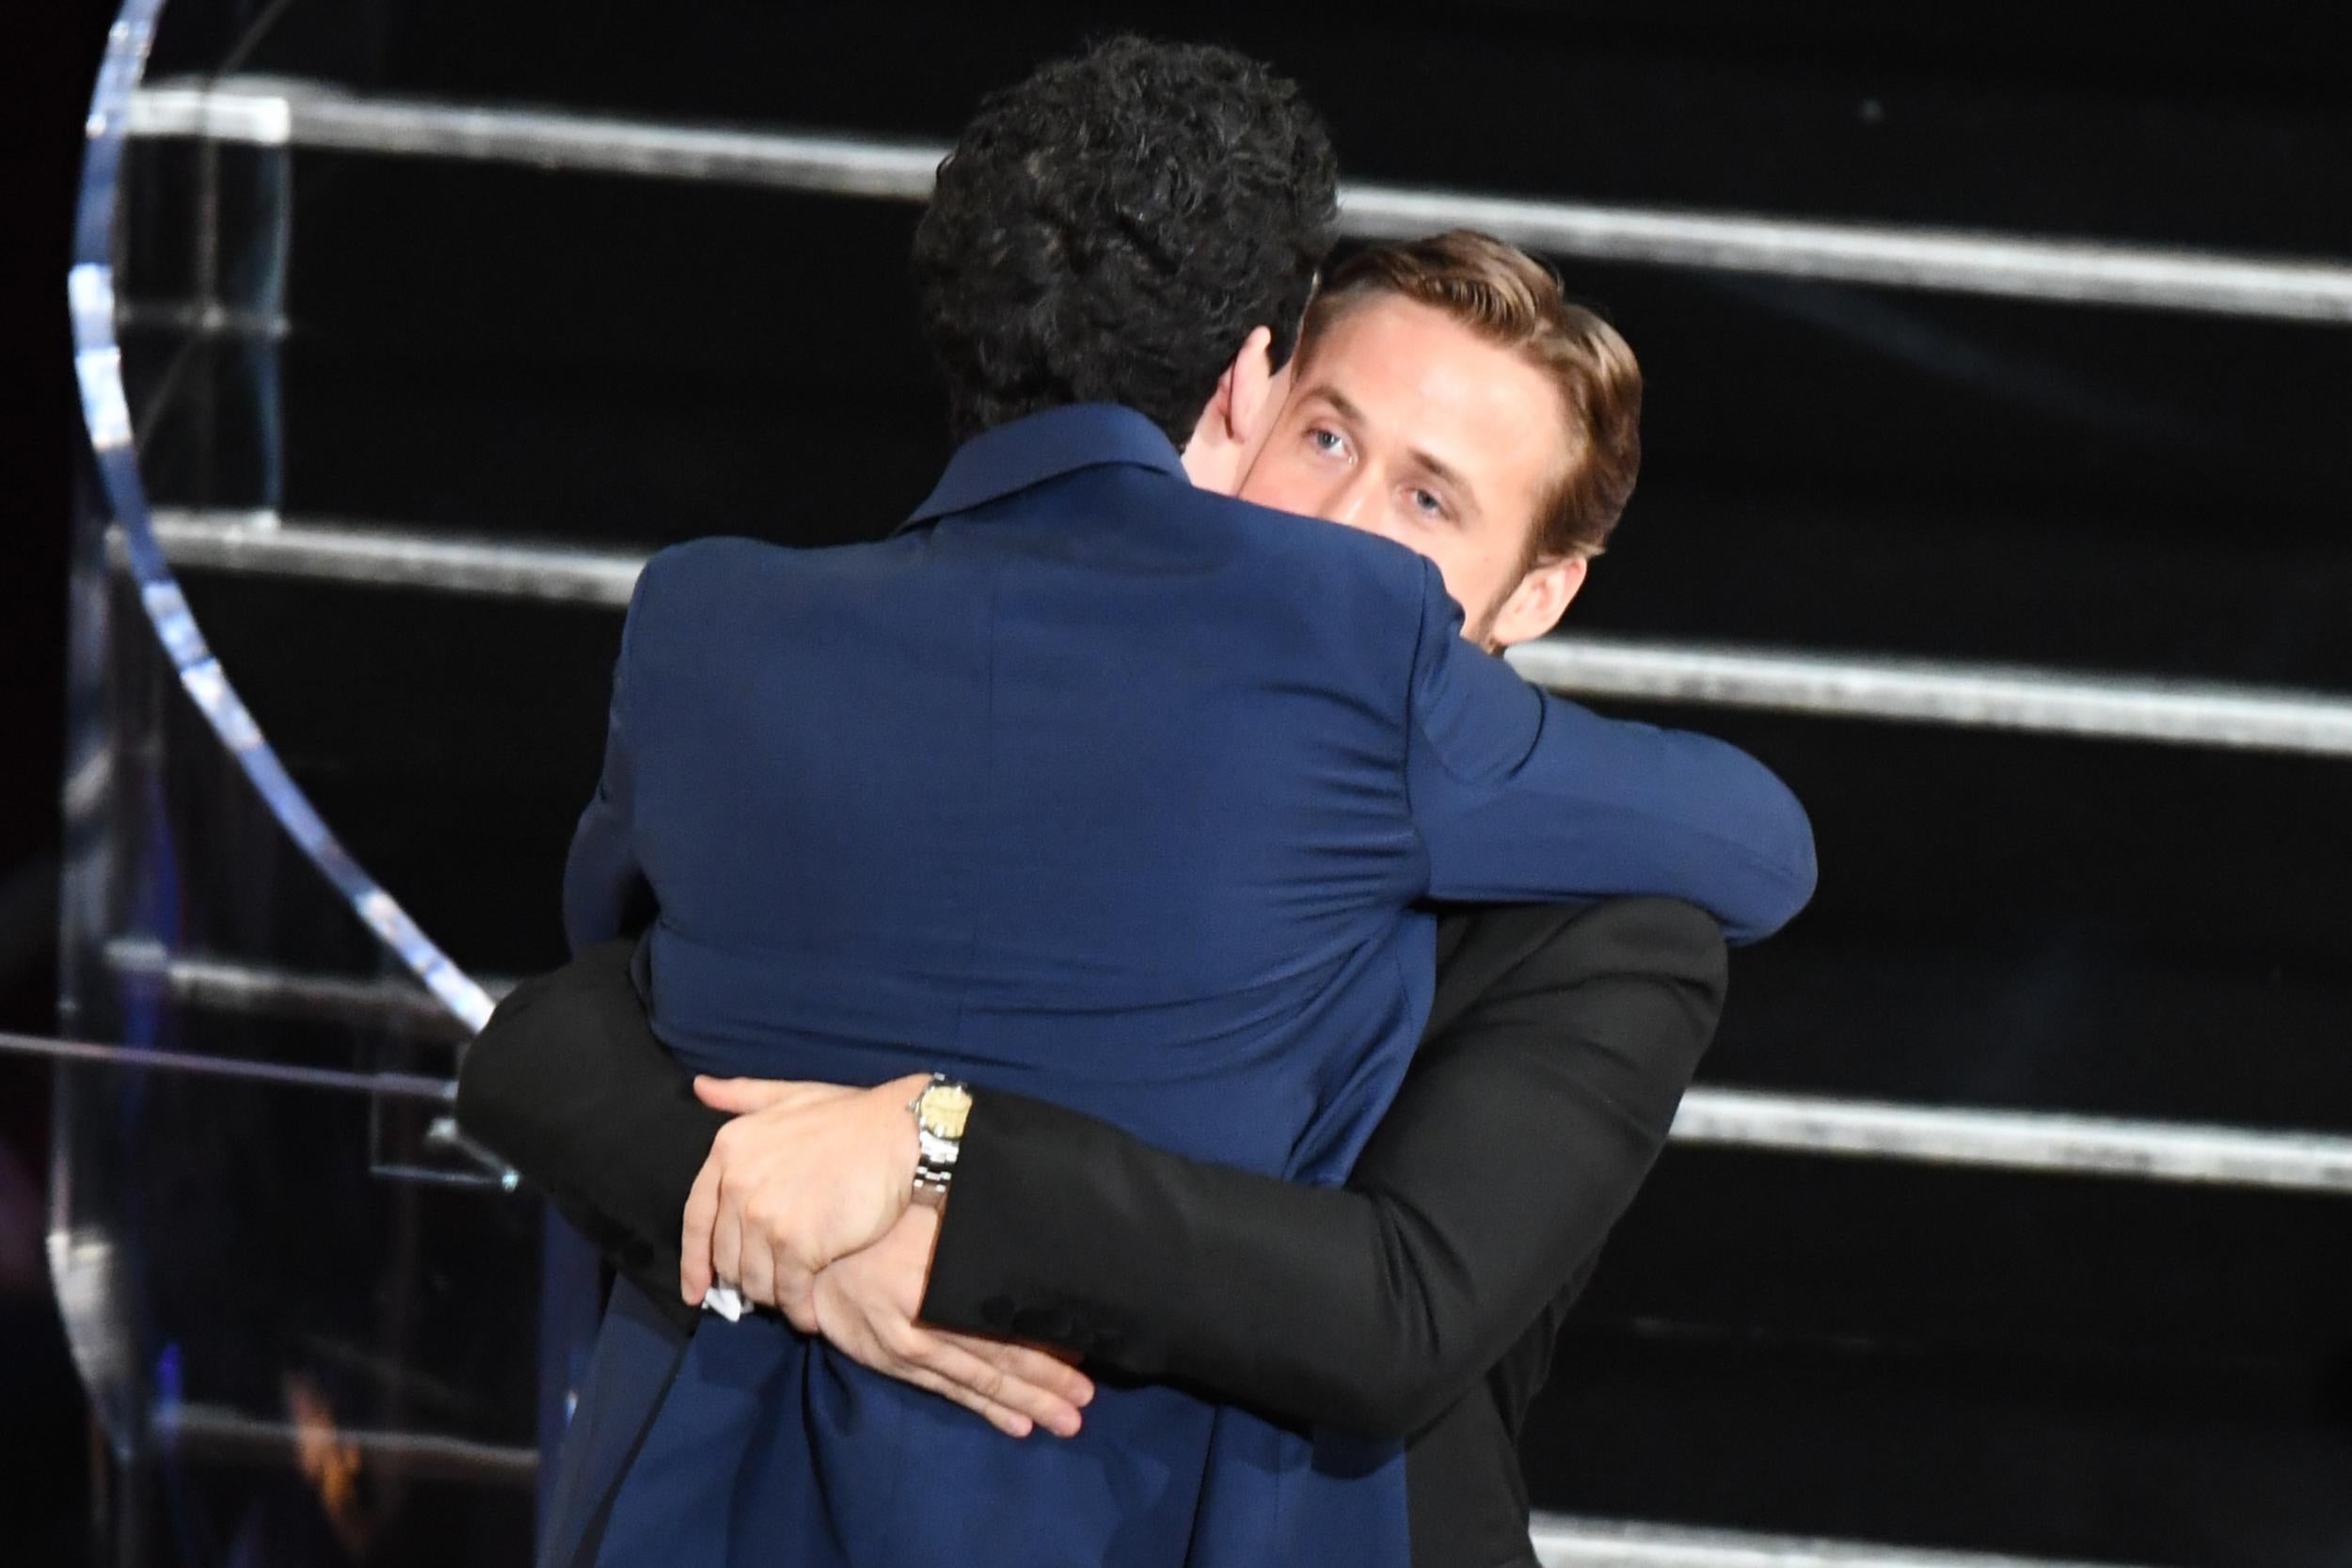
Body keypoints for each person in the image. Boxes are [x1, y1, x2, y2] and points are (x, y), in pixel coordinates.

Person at [540, 36, 1811, 1568]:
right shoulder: (912, 676)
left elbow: (1390, 1309)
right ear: (1239, 402)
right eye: (1327, 436)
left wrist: (930, 1151)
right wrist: (796, 1243)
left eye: (1426, 501)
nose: (1344, 523)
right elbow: (566, 1036)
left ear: (1537, 592)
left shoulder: (1609, 923)